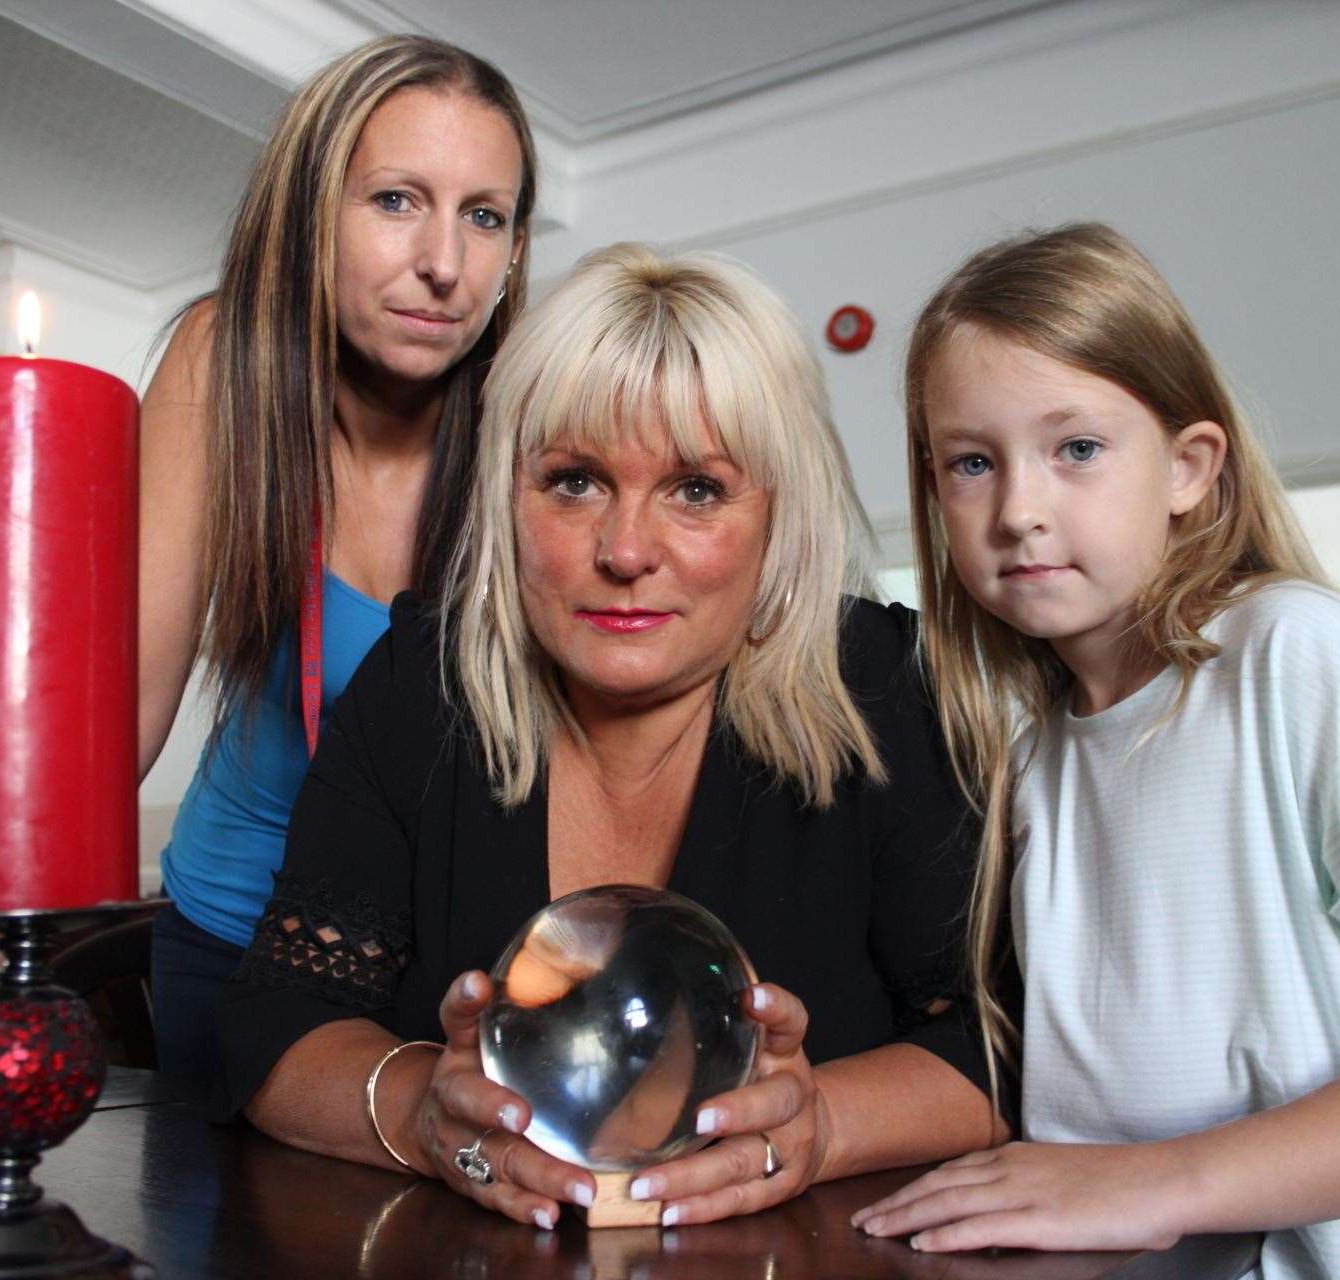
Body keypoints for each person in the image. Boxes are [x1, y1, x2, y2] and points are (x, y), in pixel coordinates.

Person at [0, 34, 536, 1116]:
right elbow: (111, 717)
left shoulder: (540, 410)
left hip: (459, 976)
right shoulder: (225, 362)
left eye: (484, 214)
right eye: (395, 200)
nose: (445, 263)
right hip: (235, 948)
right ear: (308, 212)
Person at [219, 243, 1007, 1231]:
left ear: (781, 520)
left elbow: (1010, 1042)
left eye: (697, 490)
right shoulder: (422, 683)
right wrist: (424, 1109)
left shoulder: (885, 686)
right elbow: (272, 1024)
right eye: (576, 481)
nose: (626, 550)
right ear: (509, 500)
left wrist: (827, 1123)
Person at [851, 224, 1340, 1277]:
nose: (1019, 510)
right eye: (971, 462)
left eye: (1075, 448)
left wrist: (1154, 1180)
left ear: (1189, 466)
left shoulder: (1299, 656)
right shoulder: (1035, 746)